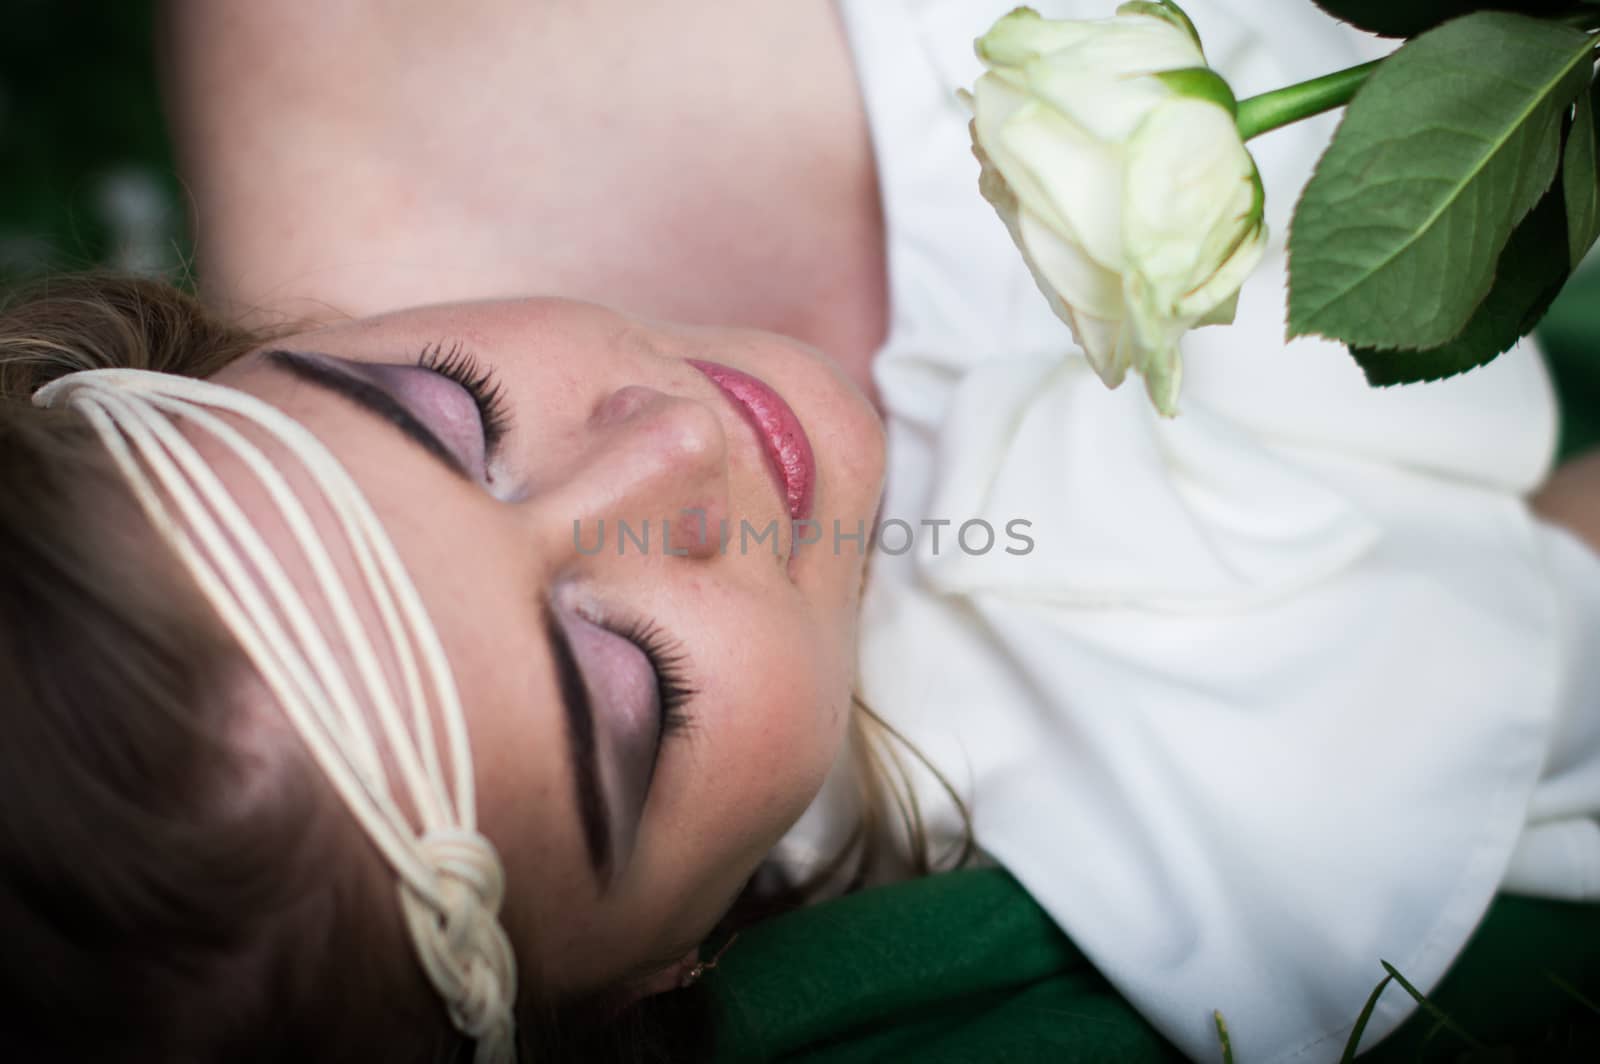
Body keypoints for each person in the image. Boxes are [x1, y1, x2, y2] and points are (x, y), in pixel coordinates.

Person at [0, 2, 1595, 1062]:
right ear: (644, 983)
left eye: (446, 412)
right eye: (627, 686)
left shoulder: (365, 37)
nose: (674, 446)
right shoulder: (1181, 787)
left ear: (198, 348)